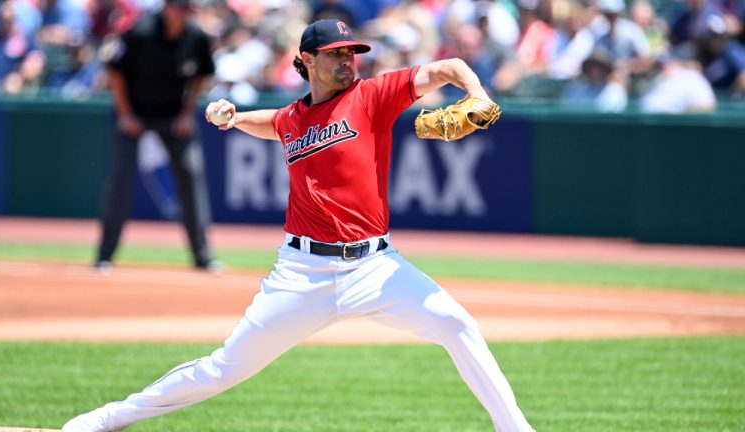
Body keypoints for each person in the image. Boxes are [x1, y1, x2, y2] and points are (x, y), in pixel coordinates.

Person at [62, 19, 535, 432]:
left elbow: (447, 67)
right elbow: (276, 123)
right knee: (224, 367)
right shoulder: (294, 118)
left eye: (352, 52)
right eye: (335, 54)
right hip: (300, 274)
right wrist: (232, 118)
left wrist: (478, 93)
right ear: (306, 60)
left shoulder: (373, 96)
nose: (348, 60)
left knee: (456, 324)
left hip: (375, 269)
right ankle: (108, 419)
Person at [93, 0, 220, 271]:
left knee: (191, 172)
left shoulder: (196, 37)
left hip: (173, 116)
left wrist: (187, 114)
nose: (183, 12)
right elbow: (115, 72)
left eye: (188, 8)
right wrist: (125, 114)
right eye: (179, 6)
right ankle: (105, 255)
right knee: (120, 177)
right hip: (133, 113)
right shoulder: (140, 32)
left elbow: (201, 75)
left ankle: (203, 256)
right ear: (165, 7)